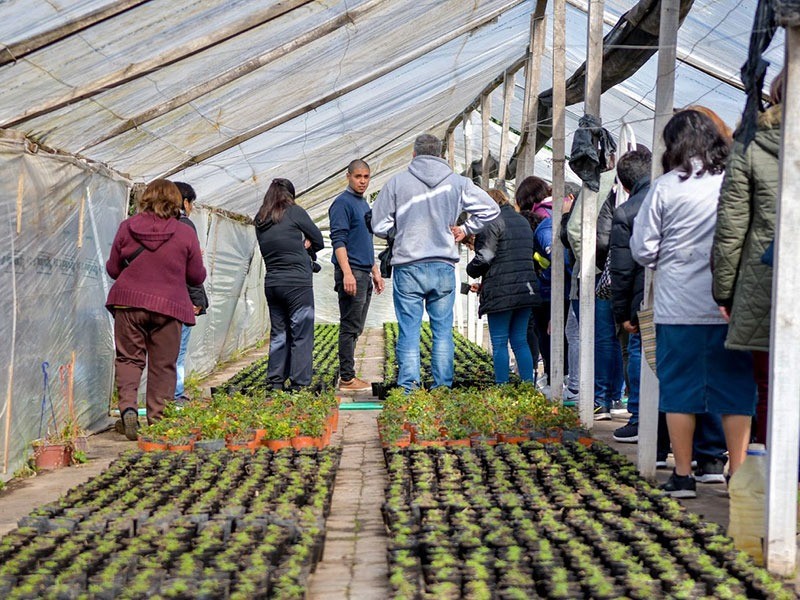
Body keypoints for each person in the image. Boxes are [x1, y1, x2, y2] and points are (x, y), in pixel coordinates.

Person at [631, 110, 757, 498]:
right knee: (736, 390)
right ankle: (736, 473)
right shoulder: (733, 180)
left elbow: (642, 248)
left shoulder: (666, 187)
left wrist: (669, 258)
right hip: (730, 305)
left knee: (679, 390)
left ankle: (683, 475)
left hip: (678, 303)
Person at [372, 133, 500, 392]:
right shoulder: (458, 183)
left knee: (409, 330)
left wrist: (399, 229)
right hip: (443, 265)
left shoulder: (397, 183)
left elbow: (378, 224)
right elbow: (491, 209)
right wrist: (465, 228)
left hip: (408, 265)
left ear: (414, 154)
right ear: (440, 155)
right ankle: (442, 388)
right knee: (442, 331)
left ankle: (408, 389)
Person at [713, 70, 784, 445]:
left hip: (764, 280)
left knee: (768, 384)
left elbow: (731, 226)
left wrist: (724, 292)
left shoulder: (752, 144)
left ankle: (776, 486)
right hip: (767, 277)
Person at [106, 179, 206, 439]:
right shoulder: (185, 232)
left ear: (145, 199)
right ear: (177, 202)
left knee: (129, 358)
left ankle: (128, 408)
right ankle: (158, 420)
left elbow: (114, 269)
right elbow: (196, 276)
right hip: (169, 306)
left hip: (129, 303)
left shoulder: (126, 227)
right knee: (163, 365)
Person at [255, 178, 324, 391]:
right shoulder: (294, 212)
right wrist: (306, 245)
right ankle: (299, 384)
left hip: (273, 283)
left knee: (279, 332)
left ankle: (275, 382)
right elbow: (319, 240)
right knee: (301, 333)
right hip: (297, 284)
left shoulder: (260, 219)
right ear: (290, 196)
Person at [466, 188, 538, 383]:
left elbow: (485, 257)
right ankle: (527, 388)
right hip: (525, 290)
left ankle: (502, 390)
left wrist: (471, 270)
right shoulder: (522, 221)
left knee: (499, 342)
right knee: (520, 341)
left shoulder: (490, 222)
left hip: (501, 292)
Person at [329, 160, 384, 392]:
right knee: (349, 325)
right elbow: (338, 241)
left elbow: (365, 242)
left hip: (363, 271)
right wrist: (347, 273)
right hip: (352, 273)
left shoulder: (363, 205)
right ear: (348, 176)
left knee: (356, 326)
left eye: (366, 177)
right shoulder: (342, 204)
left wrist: (375, 271)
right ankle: (347, 379)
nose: (362, 181)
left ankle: (349, 375)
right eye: (358, 176)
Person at [608, 148, 652, 442]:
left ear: (624, 185)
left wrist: (622, 314)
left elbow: (622, 270)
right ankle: (706, 447)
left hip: (644, 299)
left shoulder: (627, 211)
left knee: (639, 352)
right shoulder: (677, 193)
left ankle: (640, 418)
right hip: (694, 296)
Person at [172, 182, 209, 402]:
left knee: (162, 352)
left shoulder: (152, 225)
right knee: (177, 351)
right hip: (181, 299)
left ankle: (159, 398)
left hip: (156, 300)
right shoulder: (185, 225)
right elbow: (191, 269)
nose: (191, 208)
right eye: (191, 203)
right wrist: (197, 299)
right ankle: (175, 396)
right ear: (184, 202)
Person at [516, 176, 552, 393]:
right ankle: (548, 375)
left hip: (544, 286)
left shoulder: (540, 217)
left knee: (540, 332)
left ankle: (548, 377)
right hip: (549, 285)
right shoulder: (552, 211)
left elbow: (547, 256)